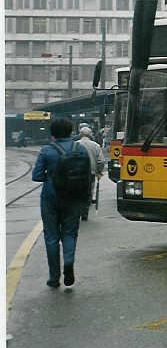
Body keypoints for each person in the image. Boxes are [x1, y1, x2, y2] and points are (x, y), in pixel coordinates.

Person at [32, 118, 88, 288]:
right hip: (73, 196)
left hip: (51, 197)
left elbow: (37, 176)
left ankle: (54, 277)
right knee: (70, 233)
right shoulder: (80, 149)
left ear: (52, 133)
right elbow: (86, 174)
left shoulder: (46, 150)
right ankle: (69, 262)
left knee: (51, 236)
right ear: (71, 132)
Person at [76, 126, 103, 221]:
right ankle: (84, 212)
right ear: (90, 134)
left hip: (76, 173)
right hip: (90, 173)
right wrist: (99, 172)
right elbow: (100, 161)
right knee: (88, 192)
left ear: (80, 134)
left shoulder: (74, 145)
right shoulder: (95, 145)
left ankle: (76, 211)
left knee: (76, 192)